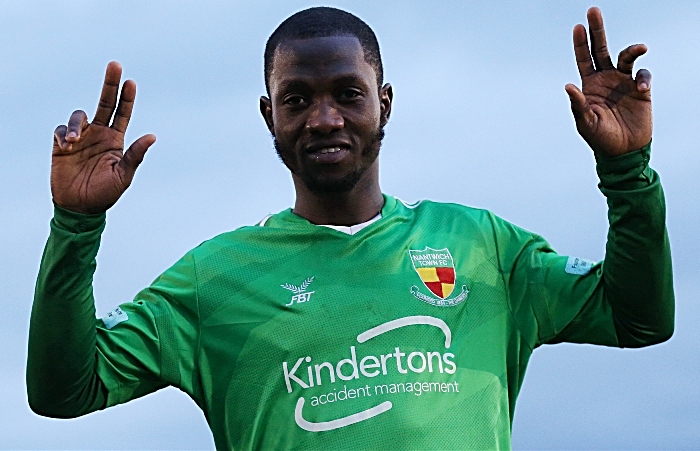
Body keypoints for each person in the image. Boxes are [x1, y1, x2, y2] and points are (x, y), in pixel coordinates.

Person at [27, 6, 673, 450]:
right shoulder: (213, 277)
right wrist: (76, 225)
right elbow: (63, 388)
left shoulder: (482, 247)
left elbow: (639, 317)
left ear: (384, 101)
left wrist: (626, 171)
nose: (325, 118)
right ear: (268, 115)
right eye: (298, 99)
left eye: (348, 93)